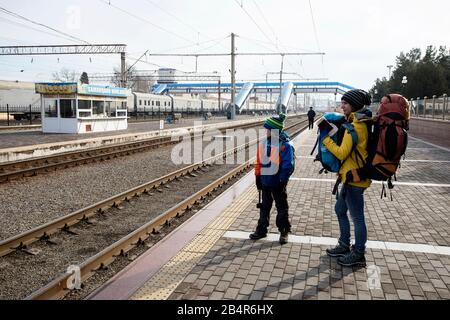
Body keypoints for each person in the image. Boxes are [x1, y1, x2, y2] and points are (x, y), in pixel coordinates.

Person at [322, 89, 372, 267]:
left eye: (345, 103)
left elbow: (342, 152)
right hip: (351, 177)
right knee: (339, 209)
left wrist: (326, 140)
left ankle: (358, 253)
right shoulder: (359, 122)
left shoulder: (356, 126)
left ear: (355, 105)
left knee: (357, 217)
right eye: (342, 103)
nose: (342, 106)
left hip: (354, 179)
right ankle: (344, 244)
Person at [250, 114, 295, 245]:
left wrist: (282, 179)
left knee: (281, 207)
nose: (266, 131)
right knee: (264, 206)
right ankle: (261, 230)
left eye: (268, 129)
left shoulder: (285, 145)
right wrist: (257, 176)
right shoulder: (264, 143)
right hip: (265, 181)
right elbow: (258, 161)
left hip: (278, 182)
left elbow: (288, 164)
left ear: (274, 130)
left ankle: (284, 231)